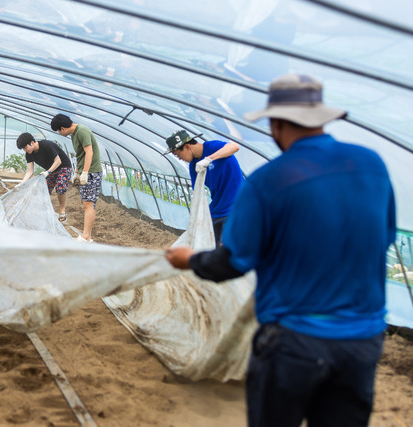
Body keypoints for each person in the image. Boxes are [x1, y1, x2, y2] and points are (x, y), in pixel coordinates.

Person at [165, 74, 396, 427]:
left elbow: (234, 261)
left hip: (295, 339)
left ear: (276, 124)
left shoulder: (271, 180)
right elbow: (385, 234)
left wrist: (189, 259)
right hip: (362, 340)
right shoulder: (371, 165)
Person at [163, 130, 243, 245]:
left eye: (178, 155)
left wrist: (209, 159)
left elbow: (234, 147)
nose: (179, 159)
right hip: (217, 209)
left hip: (237, 206)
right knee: (210, 245)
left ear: (187, 147)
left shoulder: (212, 147)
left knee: (229, 247)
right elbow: (197, 193)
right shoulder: (194, 167)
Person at [50, 114, 102, 243]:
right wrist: (77, 172)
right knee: (87, 203)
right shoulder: (75, 134)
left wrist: (85, 172)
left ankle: (85, 237)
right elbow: (81, 155)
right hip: (86, 171)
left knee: (88, 204)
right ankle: (87, 237)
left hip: (92, 172)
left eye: (58, 130)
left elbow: (89, 152)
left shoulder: (82, 131)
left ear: (62, 128)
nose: (59, 133)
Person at [16, 132, 73, 222]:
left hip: (64, 167)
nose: (25, 150)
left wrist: (48, 172)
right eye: (23, 149)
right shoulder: (29, 154)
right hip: (50, 170)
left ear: (32, 143)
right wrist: (21, 183)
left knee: (60, 187)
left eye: (25, 147)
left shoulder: (47, 145)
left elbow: (58, 161)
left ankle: (62, 211)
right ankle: (43, 212)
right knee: (43, 189)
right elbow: (30, 171)